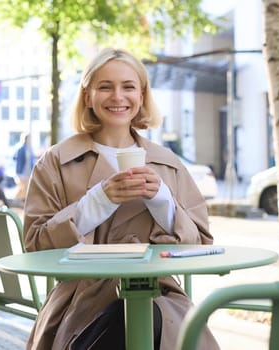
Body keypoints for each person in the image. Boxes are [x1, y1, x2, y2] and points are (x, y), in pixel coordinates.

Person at [22, 48, 219, 350]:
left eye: (128, 87)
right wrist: (98, 200)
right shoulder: (55, 162)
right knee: (118, 321)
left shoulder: (168, 164)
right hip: (78, 301)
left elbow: (200, 245)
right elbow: (34, 246)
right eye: (105, 87)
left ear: (141, 96)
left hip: (159, 298)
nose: (118, 96)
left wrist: (162, 200)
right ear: (87, 96)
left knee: (142, 319)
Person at [12, 134, 35, 201]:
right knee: (22, 188)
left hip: (28, 173)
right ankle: (15, 200)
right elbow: (15, 158)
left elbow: (31, 161)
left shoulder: (29, 148)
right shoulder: (21, 148)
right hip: (22, 173)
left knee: (25, 189)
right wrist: (18, 173)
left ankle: (19, 201)